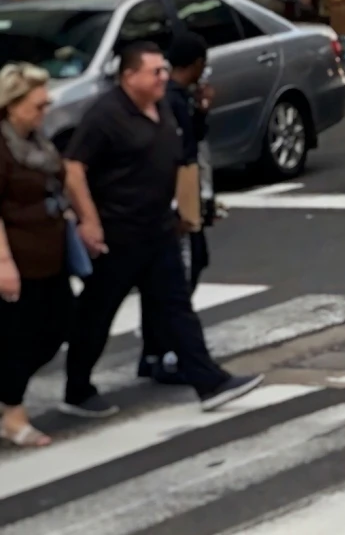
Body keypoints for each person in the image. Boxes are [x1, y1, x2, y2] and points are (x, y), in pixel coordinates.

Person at [59, 42, 259, 415]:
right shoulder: (106, 115)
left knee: (176, 305)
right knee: (97, 313)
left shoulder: (163, 106)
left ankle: (209, 382)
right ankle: (77, 388)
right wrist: (89, 220)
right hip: (119, 233)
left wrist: (185, 209)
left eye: (165, 71)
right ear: (129, 76)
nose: (164, 78)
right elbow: (73, 169)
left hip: (158, 229)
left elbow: (177, 158)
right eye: (155, 72)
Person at [136, 34, 213, 385]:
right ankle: (164, 350)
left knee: (179, 272)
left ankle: (156, 350)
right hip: (173, 200)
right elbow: (184, 153)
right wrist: (188, 207)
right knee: (179, 276)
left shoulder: (176, 101)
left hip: (174, 199)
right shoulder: (171, 103)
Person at [0, 64, 70, 446]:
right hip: (17, 256)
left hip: (50, 251)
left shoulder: (38, 141)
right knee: (18, 336)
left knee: (58, 326)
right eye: (37, 105)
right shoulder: (2, 147)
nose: (45, 112)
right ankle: (13, 413)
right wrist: (3, 263)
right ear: (11, 105)